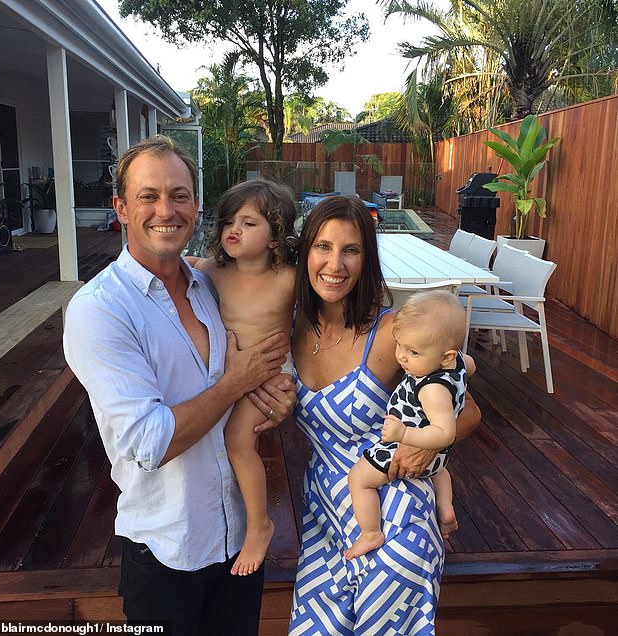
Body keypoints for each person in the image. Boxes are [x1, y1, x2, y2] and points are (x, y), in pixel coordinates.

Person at [62, 135, 296, 635]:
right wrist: (237, 384)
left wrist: (276, 402)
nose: (165, 209)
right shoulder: (100, 309)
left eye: (180, 195)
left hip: (236, 542)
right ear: (121, 208)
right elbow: (149, 442)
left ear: (196, 206)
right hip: (168, 551)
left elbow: (259, 378)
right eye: (148, 196)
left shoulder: (210, 284)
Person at [288, 196, 481, 635]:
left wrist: (419, 444)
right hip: (324, 512)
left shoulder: (392, 331)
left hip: (394, 508)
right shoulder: (290, 323)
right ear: (305, 253)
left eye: (350, 250)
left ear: (367, 259)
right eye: (322, 246)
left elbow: (468, 412)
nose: (334, 264)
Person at [186, 178, 297, 576]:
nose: (234, 229)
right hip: (230, 372)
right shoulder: (215, 270)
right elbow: (185, 264)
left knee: (236, 440)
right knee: (208, 437)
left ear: (275, 235)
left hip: (269, 377)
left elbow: (332, 301)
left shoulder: (289, 278)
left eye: (249, 223)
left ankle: (259, 526)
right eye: (229, 221)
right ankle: (223, 516)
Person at [345, 290, 476, 560]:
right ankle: (446, 506)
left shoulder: (431, 389)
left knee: (358, 479)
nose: (401, 357)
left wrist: (403, 433)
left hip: (408, 446)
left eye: (414, 352)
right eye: (400, 345)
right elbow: (470, 367)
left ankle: (370, 533)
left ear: (445, 356)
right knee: (439, 471)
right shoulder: (460, 362)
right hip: (439, 461)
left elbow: (445, 432)